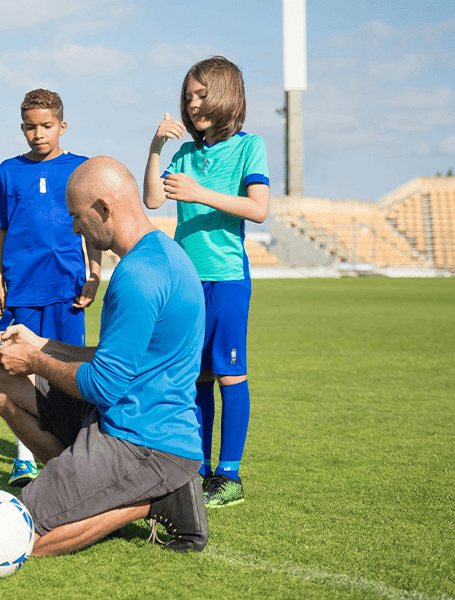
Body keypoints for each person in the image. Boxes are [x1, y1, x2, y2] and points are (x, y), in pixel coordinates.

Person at [0, 156, 208, 556]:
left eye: (77, 216)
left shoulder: (139, 276)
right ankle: (87, 489)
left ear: (104, 208)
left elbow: (102, 385)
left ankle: (150, 501)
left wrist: (34, 363)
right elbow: (116, 358)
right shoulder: (158, 253)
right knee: (2, 381)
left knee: (17, 540)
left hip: (145, 441)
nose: (74, 228)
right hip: (130, 417)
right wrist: (39, 343)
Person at [143, 56, 270, 507]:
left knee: (229, 374)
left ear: (226, 94)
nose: (193, 104)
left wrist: (198, 193)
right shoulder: (185, 153)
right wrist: (156, 147)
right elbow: (153, 200)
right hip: (185, 282)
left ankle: (229, 476)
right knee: (194, 377)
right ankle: (194, 469)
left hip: (227, 279)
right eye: (188, 96)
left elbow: (258, 209)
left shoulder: (249, 146)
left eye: (201, 94)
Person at [0, 89, 101, 488]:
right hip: (21, 287)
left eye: (46, 126)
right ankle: (25, 458)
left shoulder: (81, 168)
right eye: (30, 127)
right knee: (15, 365)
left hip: (66, 287)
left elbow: (92, 225)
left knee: (66, 370)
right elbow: (1, 231)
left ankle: (75, 449)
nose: (38, 134)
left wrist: (94, 272)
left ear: (62, 126)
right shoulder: (8, 170)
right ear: (22, 127)